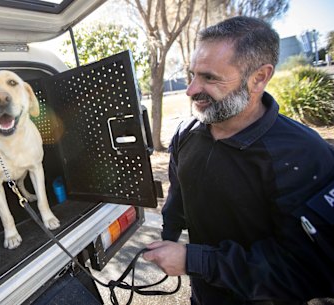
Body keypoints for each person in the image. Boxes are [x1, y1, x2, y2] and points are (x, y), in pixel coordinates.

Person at [142, 16, 334, 305]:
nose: (191, 90)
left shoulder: (306, 155)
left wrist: (196, 261)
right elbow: (180, 192)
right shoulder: (186, 133)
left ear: (258, 78)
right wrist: (169, 233)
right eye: (192, 74)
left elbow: (308, 270)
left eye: (209, 77)